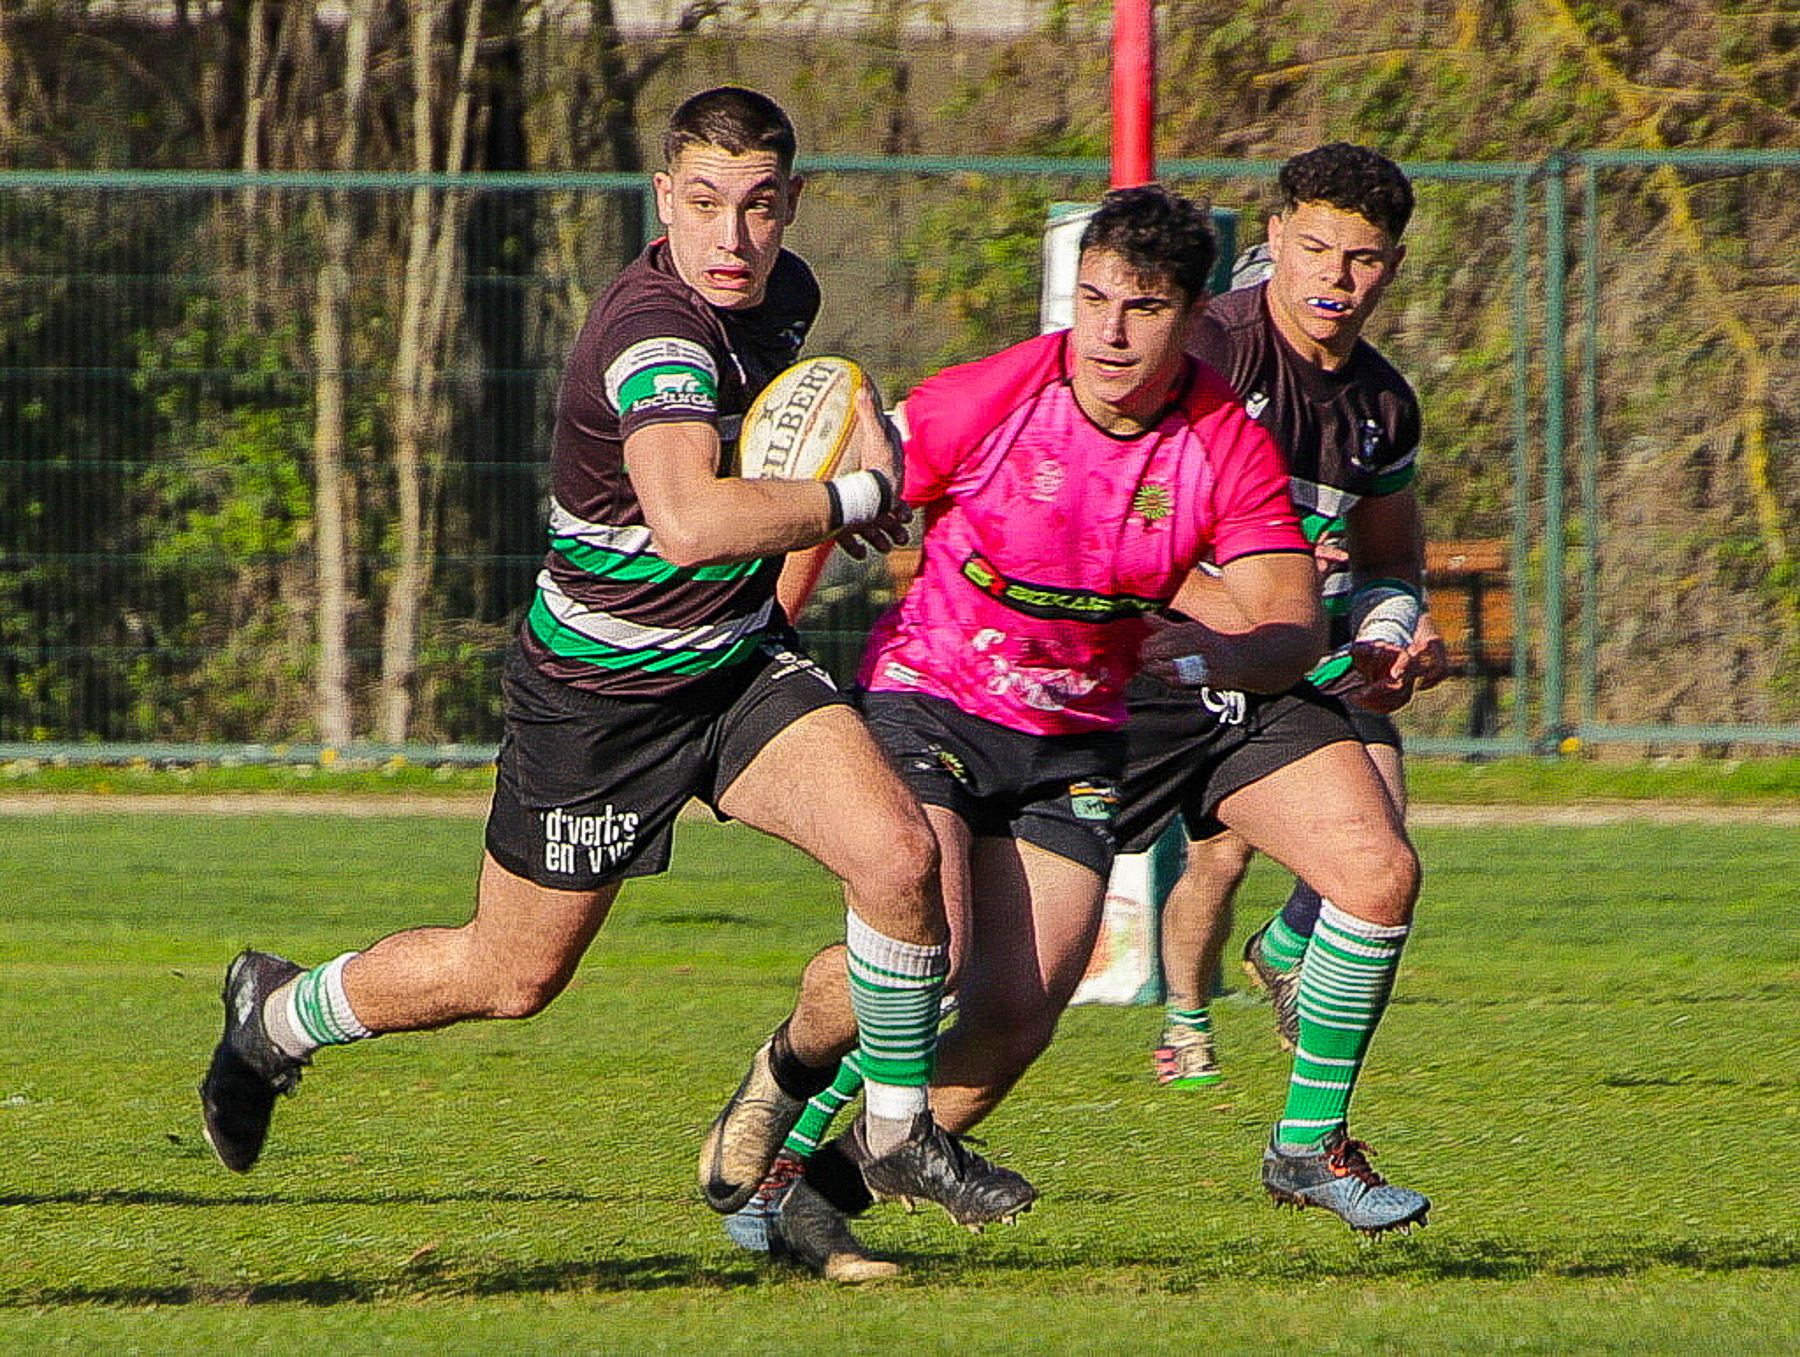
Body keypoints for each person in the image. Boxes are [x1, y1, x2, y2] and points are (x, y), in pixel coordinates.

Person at [197, 88, 1030, 1266]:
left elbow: (816, 422)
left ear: (791, 204)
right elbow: (690, 518)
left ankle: (893, 1130)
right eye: (703, 205)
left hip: (734, 666)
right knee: (511, 975)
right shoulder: (653, 333)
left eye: (755, 207)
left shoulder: (783, 298)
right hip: (599, 702)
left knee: (901, 862)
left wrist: (862, 449)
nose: (731, 238)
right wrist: (853, 501)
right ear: (663, 202)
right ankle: (277, 1016)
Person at [708, 182, 1328, 1276]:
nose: (1108, 331)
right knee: (925, 931)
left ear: (1192, 317)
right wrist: (780, 614)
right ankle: (785, 1078)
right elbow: (866, 478)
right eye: (1091, 299)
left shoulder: (1221, 443)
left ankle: (818, 1198)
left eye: (1139, 308)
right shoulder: (1000, 395)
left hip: (1074, 739)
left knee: (1016, 1011)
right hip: (930, 691)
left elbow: (1289, 617)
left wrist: (1234, 654)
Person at [1141, 143, 1447, 1104]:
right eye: (1314, 249)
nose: (1334, 278)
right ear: (1275, 239)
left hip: (1280, 667)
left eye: (1359, 259)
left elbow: (1390, 559)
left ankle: (1310, 1133)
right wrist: (1248, 597)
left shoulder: (1384, 404)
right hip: (1153, 661)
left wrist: (1393, 629)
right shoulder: (1212, 351)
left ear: (1391, 265)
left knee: (1379, 847)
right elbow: (1128, 519)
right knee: (1005, 966)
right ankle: (819, 1137)